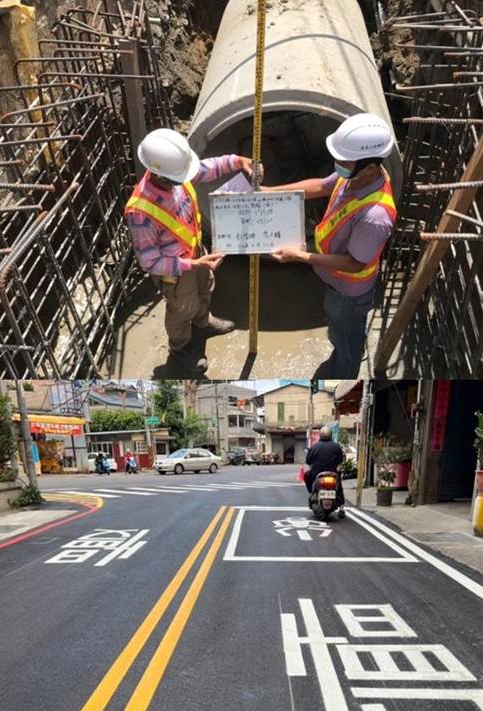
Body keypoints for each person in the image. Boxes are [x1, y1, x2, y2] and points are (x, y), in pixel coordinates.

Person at [267, 113, 397, 378]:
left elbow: (354, 263)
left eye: (344, 161)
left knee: (346, 340)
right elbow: (320, 186)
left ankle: (343, 373)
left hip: (349, 291)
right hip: (335, 282)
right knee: (341, 332)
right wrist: (269, 192)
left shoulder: (375, 216)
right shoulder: (357, 175)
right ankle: (343, 352)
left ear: (371, 167)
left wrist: (301, 256)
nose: (337, 164)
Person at [125, 128, 258, 375]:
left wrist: (239, 161)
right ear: (160, 175)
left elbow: (208, 169)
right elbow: (149, 262)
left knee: (206, 287)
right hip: (175, 271)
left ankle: (203, 323)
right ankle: (181, 349)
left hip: (196, 252)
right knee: (181, 308)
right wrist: (193, 265)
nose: (188, 177)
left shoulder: (176, 173)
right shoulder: (141, 212)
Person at [304, 425, 345, 517]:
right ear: (331, 435)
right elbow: (340, 460)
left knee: (307, 475)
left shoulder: (314, 447)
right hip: (333, 474)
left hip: (317, 474)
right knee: (339, 486)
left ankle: (312, 492)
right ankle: (342, 507)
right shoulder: (336, 447)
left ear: (320, 435)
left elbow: (308, 461)